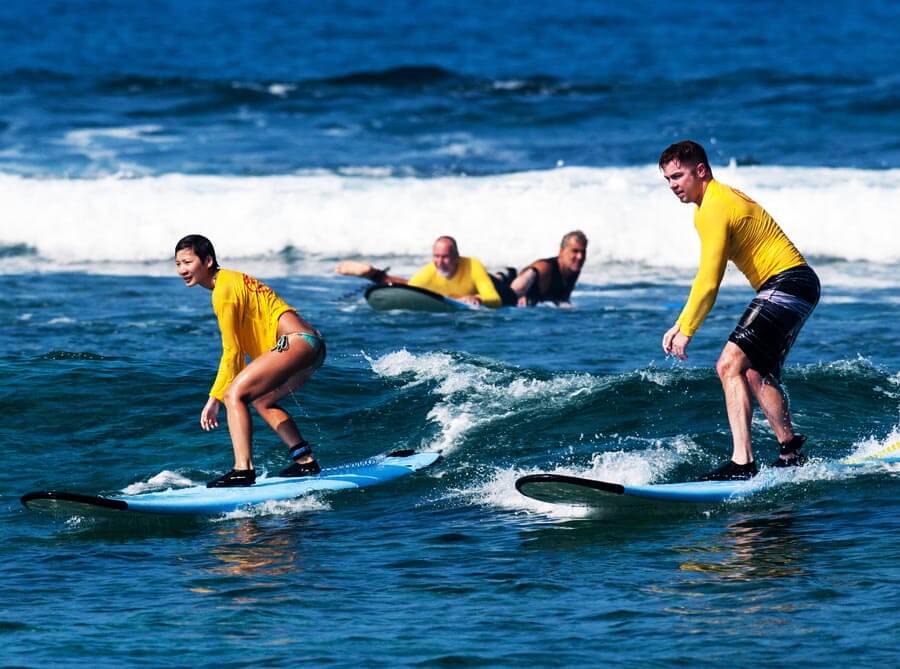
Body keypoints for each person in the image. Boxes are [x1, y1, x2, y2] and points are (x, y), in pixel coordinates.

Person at [658, 141, 820, 481]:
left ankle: (742, 462)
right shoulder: (711, 205)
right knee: (752, 371)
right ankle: (790, 451)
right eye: (667, 179)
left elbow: (709, 277)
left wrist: (686, 327)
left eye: (677, 176)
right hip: (799, 285)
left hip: (787, 283)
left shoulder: (715, 206)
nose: (673, 185)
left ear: (700, 170)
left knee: (728, 364)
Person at [175, 234, 326, 487]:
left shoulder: (223, 290)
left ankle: (242, 469)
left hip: (295, 340)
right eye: (178, 264)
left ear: (208, 260)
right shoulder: (230, 280)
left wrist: (215, 398)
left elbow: (232, 352)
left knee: (234, 395)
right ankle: (305, 461)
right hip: (310, 343)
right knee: (262, 400)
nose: (182, 270)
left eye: (188, 262)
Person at [336, 235, 502, 307]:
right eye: (436, 256)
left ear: (457, 256)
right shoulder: (430, 271)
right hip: (448, 295)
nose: (439, 262)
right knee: (410, 284)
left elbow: (495, 299)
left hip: (497, 286)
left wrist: (477, 298)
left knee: (513, 287)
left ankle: (520, 273)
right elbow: (409, 290)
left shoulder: (473, 265)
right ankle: (374, 275)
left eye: (445, 257)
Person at [491, 230, 588, 307]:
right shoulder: (545, 268)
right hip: (507, 282)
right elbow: (526, 274)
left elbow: (559, 297)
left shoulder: (573, 269)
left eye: (583, 252)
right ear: (561, 251)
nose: (580, 257)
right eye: (574, 251)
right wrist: (519, 294)